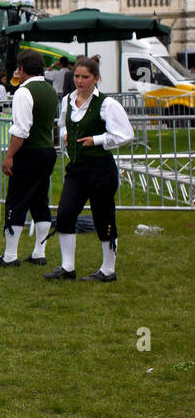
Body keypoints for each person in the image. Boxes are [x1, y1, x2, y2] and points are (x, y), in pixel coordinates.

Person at [44, 57, 134, 282]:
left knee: (103, 217)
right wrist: (66, 135)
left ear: (96, 78)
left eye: (85, 77)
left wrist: (98, 139)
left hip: (101, 169)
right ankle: (67, 267)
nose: (80, 81)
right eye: (77, 76)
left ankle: (108, 269)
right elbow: (64, 123)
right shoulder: (67, 100)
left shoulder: (107, 104)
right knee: (65, 213)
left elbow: (126, 134)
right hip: (76, 168)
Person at [0, 50, 59, 268]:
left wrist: (9, 155)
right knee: (40, 202)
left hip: (29, 152)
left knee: (16, 201)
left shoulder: (23, 92)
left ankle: (10, 255)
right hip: (48, 150)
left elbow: (21, 129)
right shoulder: (50, 90)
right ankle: (39, 252)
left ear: (22, 69)